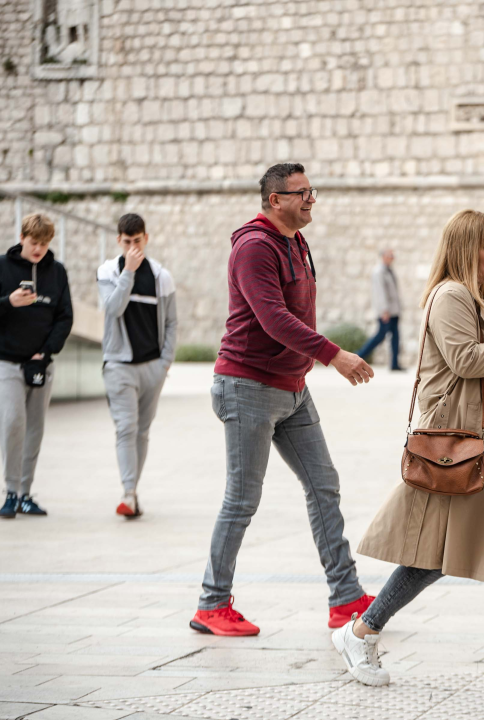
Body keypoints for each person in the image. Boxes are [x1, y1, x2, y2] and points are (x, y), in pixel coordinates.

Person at [336, 209, 484, 693]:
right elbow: (466, 362)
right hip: (460, 449)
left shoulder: (481, 299)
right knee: (431, 554)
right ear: (467, 248)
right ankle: (360, 632)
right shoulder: (450, 295)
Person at [191, 163, 377, 637]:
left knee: (324, 485)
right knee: (242, 499)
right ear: (275, 199)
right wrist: (335, 356)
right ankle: (211, 605)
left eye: (312, 190)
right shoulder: (254, 247)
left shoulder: (296, 241)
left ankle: (345, 598)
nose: (311, 199)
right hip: (247, 387)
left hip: (293, 389)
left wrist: (311, 366)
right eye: (302, 193)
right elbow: (273, 319)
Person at [0, 213, 73, 518]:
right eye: (34, 242)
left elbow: (64, 317)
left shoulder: (56, 272)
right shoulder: (0, 267)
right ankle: (10, 492)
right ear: (22, 238)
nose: (38, 249)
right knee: (12, 422)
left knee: (34, 429)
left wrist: (45, 352)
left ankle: (25, 495)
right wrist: (8, 301)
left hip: (40, 363)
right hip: (3, 361)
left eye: (44, 243)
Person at [96, 213, 177, 518]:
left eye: (138, 241)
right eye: (127, 242)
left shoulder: (161, 276)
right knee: (126, 428)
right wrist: (128, 272)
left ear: (146, 238)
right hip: (118, 365)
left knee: (141, 431)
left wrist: (164, 363)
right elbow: (113, 309)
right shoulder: (108, 271)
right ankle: (128, 493)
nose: (133, 247)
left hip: (152, 368)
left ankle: (133, 491)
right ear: (119, 240)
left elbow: (171, 322)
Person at [354, 249, 403, 371]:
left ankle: (394, 364)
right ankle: (358, 356)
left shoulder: (389, 271)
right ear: (383, 257)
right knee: (380, 336)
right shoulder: (378, 272)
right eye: (390, 256)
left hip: (394, 310)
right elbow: (379, 292)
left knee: (395, 337)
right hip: (386, 311)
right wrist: (384, 310)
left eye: (392, 256)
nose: (392, 258)